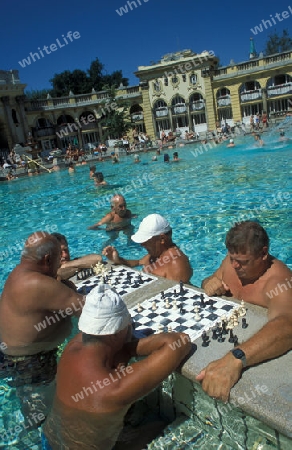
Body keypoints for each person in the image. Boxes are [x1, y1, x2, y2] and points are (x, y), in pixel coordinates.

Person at [43, 283, 192, 449]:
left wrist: (120, 346)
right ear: (116, 334)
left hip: (49, 440)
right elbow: (180, 342)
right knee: (161, 423)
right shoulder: (114, 388)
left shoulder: (72, 348)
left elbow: (99, 335)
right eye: (128, 326)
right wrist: (129, 349)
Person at [197, 221, 292, 402]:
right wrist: (209, 283)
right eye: (231, 258)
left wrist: (237, 357)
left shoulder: (278, 282)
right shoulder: (231, 261)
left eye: (242, 262)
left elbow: (287, 324)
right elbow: (209, 280)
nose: (234, 266)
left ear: (263, 253)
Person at [0, 232, 85, 422]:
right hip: (32, 362)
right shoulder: (38, 283)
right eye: (57, 259)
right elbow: (89, 309)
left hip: (14, 356)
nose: (59, 264)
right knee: (45, 416)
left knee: (34, 410)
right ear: (47, 259)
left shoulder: (18, 274)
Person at [103, 214, 193, 284]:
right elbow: (138, 263)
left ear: (162, 239)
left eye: (146, 240)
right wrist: (117, 259)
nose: (142, 244)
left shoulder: (176, 263)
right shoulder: (156, 254)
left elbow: (177, 295)